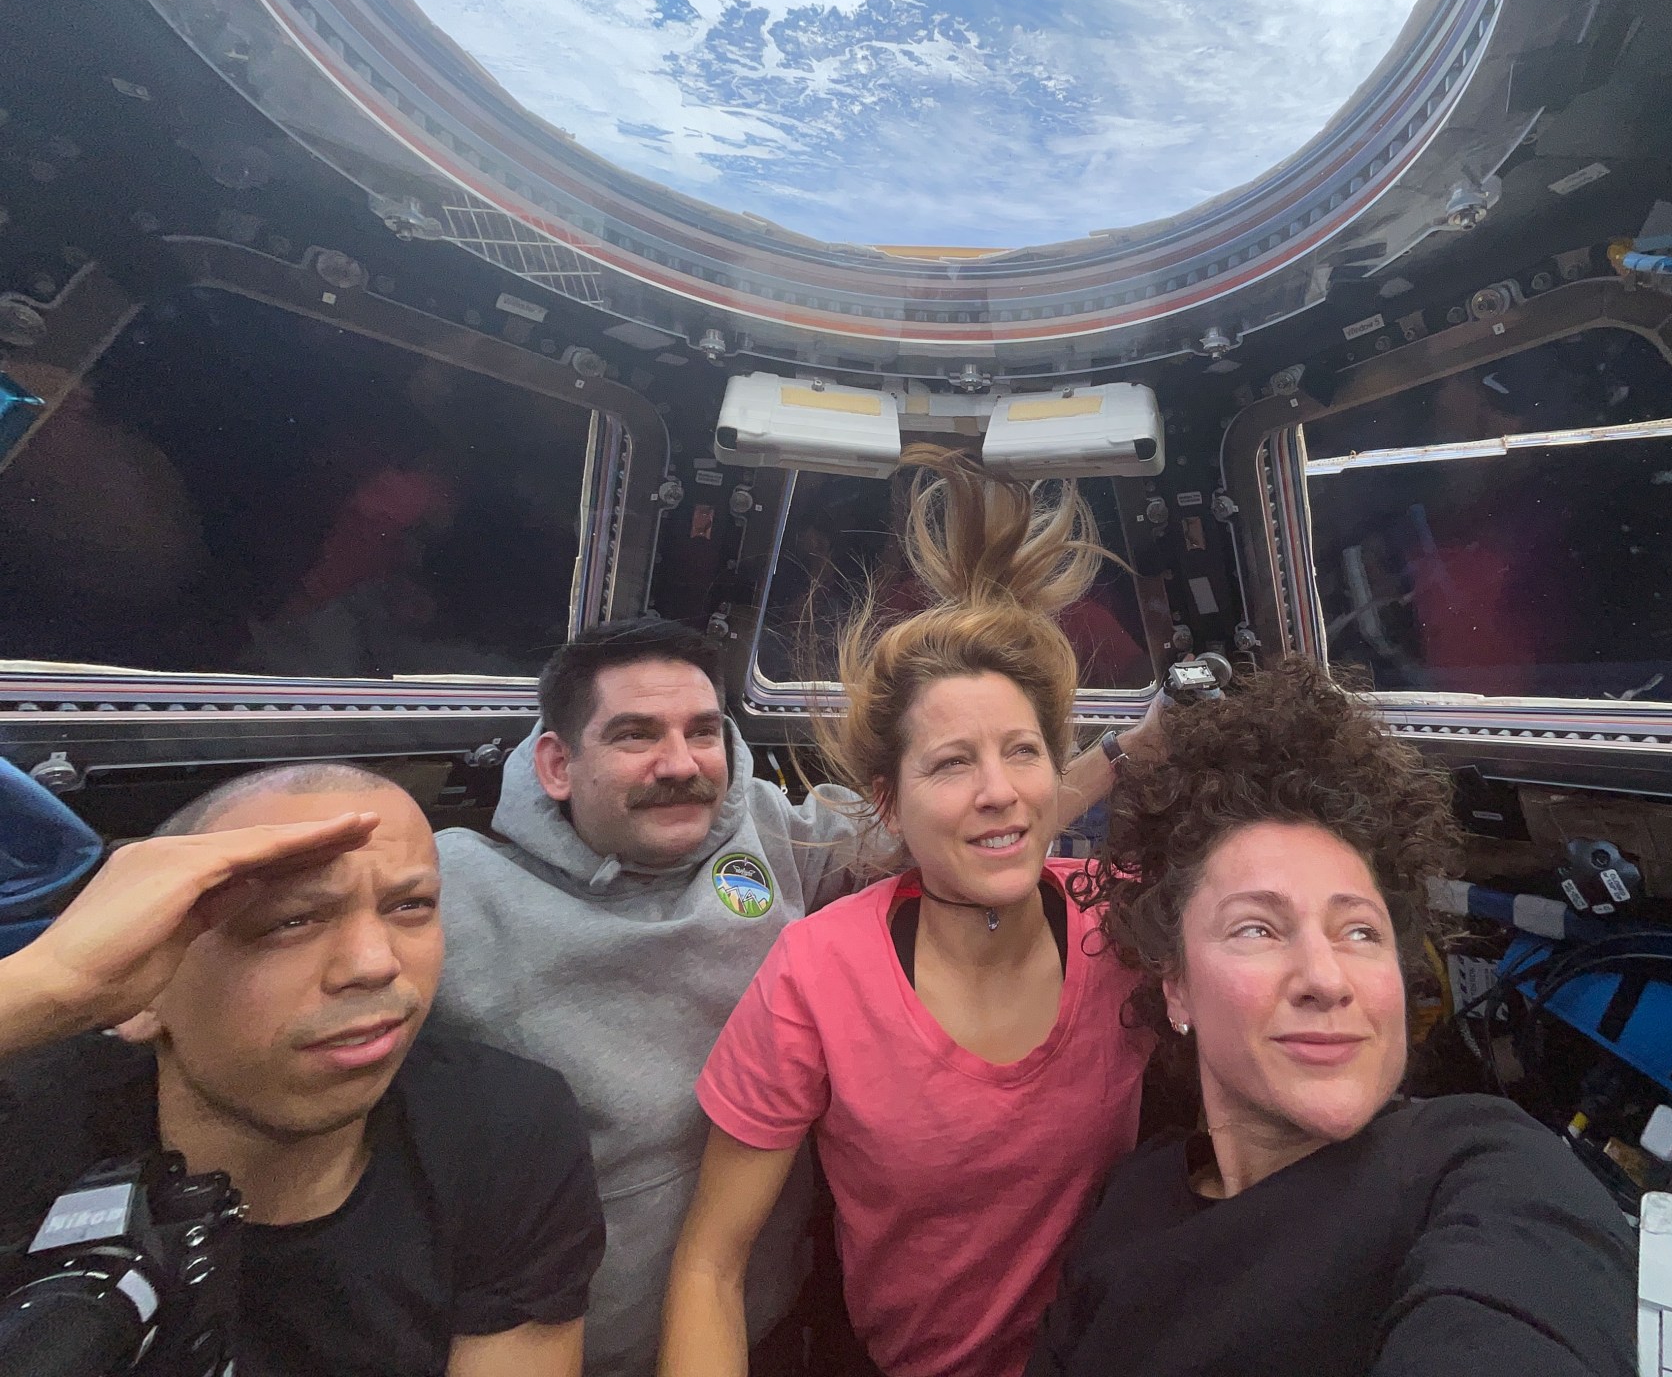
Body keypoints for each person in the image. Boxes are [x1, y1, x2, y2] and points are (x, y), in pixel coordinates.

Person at [434, 608, 1142, 1377]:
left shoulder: (772, 837)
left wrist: (1130, 748)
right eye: (635, 735)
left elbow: (973, 830)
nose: (680, 763)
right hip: (557, 1339)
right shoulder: (454, 895)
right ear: (556, 764)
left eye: (703, 731)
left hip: (768, 1324)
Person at [660, 447, 1158, 1377]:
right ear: (887, 803)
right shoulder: (820, 974)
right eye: (951, 764)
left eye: (1022, 753)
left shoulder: (1123, 924)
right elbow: (710, 1266)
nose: (999, 792)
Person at [1027, 659, 1638, 1377]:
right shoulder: (1126, 1212)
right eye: (1257, 928)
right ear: (1176, 988)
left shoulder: (1482, 1173)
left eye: (1360, 933)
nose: (1326, 978)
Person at [0, 762, 606, 1376]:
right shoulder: (27, 1119)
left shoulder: (505, 1128)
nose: (375, 963)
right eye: (290, 920)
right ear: (141, 992)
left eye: (410, 905)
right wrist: (49, 986)